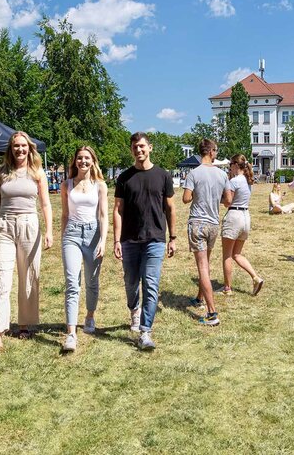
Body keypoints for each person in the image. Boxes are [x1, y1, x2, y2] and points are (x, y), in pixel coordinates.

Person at [0, 131, 53, 352]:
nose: (20, 150)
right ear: (10, 149)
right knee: (2, 280)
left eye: (23, 146)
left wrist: (49, 231)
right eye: (16, 146)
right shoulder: (1, 173)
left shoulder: (37, 172)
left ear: (29, 148)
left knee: (28, 276)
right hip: (3, 227)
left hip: (28, 226)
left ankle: (24, 324)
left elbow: (45, 204)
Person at [113, 132, 176, 350]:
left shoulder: (163, 176)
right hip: (129, 239)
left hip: (155, 240)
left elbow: (170, 208)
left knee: (151, 284)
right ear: (131, 150)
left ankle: (145, 331)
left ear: (150, 148)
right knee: (131, 282)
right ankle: (134, 310)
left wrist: (173, 238)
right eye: (134, 147)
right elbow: (117, 210)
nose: (138, 150)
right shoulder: (124, 177)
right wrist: (116, 240)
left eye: (141, 146)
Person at [61, 146, 108, 352]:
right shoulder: (67, 184)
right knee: (72, 283)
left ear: (93, 161)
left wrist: (104, 241)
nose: (83, 161)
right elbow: (64, 214)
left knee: (91, 281)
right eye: (79, 158)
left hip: (93, 234)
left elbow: (104, 215)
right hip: (71, 234)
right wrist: (63, 236)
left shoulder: (100, 186)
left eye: (87, 158)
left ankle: (89, 316)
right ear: (75, 161)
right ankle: (71, 333)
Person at [182, 139, 228, 326]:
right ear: (210, 151)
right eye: (216, 150)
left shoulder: (193, 173)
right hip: (213, 225)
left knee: (202, 267)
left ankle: (212, 313)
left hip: (198, 224)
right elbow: (228, 199)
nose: (216, 153)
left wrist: (196, 193)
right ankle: (200, 298)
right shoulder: (222, 174)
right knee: (206, 264)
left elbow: (186, 198)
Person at [221, 154, 264, 296]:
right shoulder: (247, 181)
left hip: (234, 217)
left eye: (230, 166)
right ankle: (255, 277)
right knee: (237, 254)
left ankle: (227, 288)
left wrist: (217, 198)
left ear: (234, 165)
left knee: (227, 255)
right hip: (246, 217)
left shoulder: (234, 181)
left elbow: (228, 201)